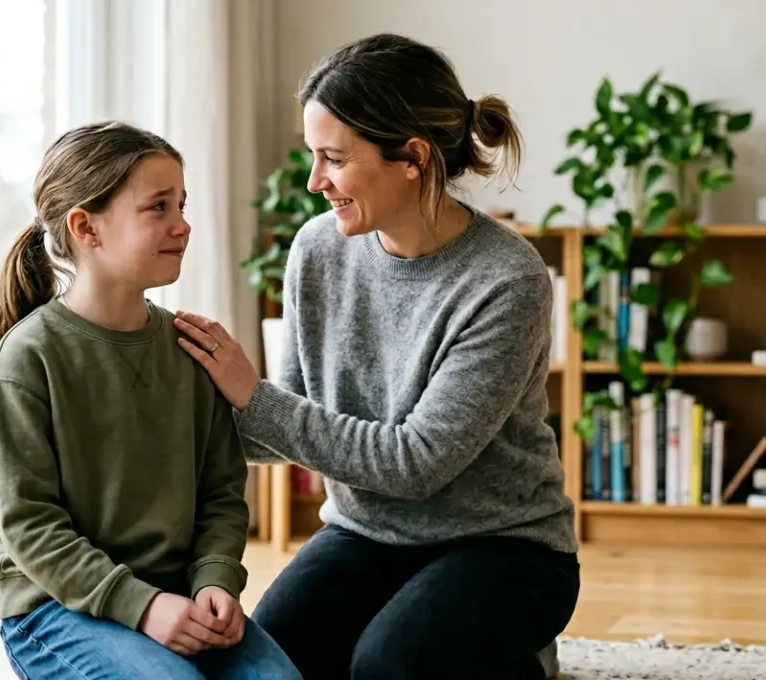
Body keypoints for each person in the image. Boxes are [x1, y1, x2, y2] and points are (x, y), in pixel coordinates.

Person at [172, 33, 579, 680]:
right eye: (313, 156)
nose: (314, 183)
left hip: (504, 546)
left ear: (413, 157)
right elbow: (296, 425)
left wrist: (252, 394)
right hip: (364, 535)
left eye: (333, 158)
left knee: (388, 668)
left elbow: (415, 464)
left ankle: (520, 658)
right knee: (262, 669)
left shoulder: (507, 280)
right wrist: (178, 406)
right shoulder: (319, 250)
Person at [0, 121, 301, 680]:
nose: (183, 224)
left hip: (176, 594)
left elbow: (221, 491)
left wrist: (216, 579)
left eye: (182, 203)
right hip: (55, 608)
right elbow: (29, 526)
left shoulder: (190, 347)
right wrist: (143, 606)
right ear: (86, 228)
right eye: (159, 207)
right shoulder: (30, 357)